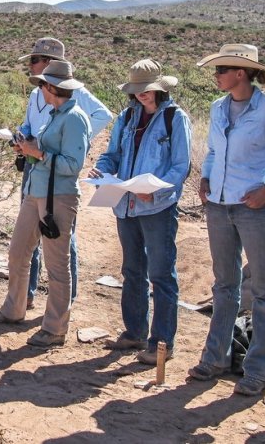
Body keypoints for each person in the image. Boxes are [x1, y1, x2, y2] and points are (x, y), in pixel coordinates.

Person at [188, 44, 265, 396]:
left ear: (242, 73)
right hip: (219, 207)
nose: (216, 75)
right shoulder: (218, 107)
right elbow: (214, 152)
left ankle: (259, 369)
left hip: (256, 211)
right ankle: (215, 357)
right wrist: (205, 178)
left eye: (222, 69)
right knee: (224, 286)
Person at [89, 59, 191, 364]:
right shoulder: (127, 116)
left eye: (146, 90)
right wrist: (101, 170)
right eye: (137, 91)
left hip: (157, 207)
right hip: (126, 204)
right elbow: (113, 155)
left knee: (161, 274)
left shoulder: (175, 118)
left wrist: (157, 189)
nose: (141, 96)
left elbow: (180, 166)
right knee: (132, 271)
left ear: (159, 88)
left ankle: (161, 343)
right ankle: (134, 332)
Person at [0, 60, 90, 347]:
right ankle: (13, 309)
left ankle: (55, 328)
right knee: (19, 252)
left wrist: (38, 153)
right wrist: (28, 149)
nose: (40, 89)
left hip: (58, 198)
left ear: (52, 88)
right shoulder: (56, 115)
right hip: (36, 193)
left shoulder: (75, 118)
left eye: (43, 84)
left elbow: (73, 164)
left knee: (57, 265)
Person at [16, 37, 113, 309]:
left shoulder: (74, 94)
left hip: (56, 173)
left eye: (35, 60)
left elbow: (103, 115)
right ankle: (28, 294)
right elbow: (30, 123)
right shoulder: (38, 92)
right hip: (35, 166)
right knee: (30, 234)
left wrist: (74, 141)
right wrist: (24, 140)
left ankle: (64, 301)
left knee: (59, 234)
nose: (31, 65)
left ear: (50, 63)